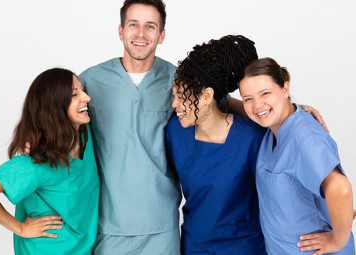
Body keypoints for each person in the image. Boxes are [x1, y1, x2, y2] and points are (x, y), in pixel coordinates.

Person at [78, 0, 182, 254]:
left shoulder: (178, 80)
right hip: (109, 225)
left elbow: (222, 103)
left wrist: (288, 111)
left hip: (161, 226)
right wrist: (32, 143)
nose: (141, 34)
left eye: (150, 26)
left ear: (162, 35)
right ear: (121, 30)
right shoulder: (90, 80)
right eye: (133, 25)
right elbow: (55, 117)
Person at [0, 68, 100, 255]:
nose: (86, 97)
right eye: (75, 94)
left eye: (82, 90)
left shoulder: (84, 134)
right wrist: (21, 229)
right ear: (55, 107)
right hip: (46, 249)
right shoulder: (36, 163)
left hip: (81, 248)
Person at [239, 57, 355, 254]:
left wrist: (337, 242)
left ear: (285, 88)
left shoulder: (303, 138)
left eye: (265, 93)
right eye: (248, 98)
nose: (257, 105)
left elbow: (340, 189)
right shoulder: (276, 127)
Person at [165, 35, 268, 254]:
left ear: (206, 96)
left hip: (244, 247)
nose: (175, 104)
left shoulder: (252, 139)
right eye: (174, 95)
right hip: (195, 246)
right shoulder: (176, 133)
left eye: (182, 96)